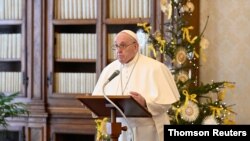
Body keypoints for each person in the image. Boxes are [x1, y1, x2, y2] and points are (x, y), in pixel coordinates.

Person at [92, 30, 180, 141]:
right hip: (120, 131)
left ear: (135, 46)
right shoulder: (109, 70)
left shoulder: (155, 68)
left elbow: (166, 102)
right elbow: (99, 98)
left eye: (123, 45)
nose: (119, 50)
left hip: (148, 131)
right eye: (116, 46)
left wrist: (145, 103)